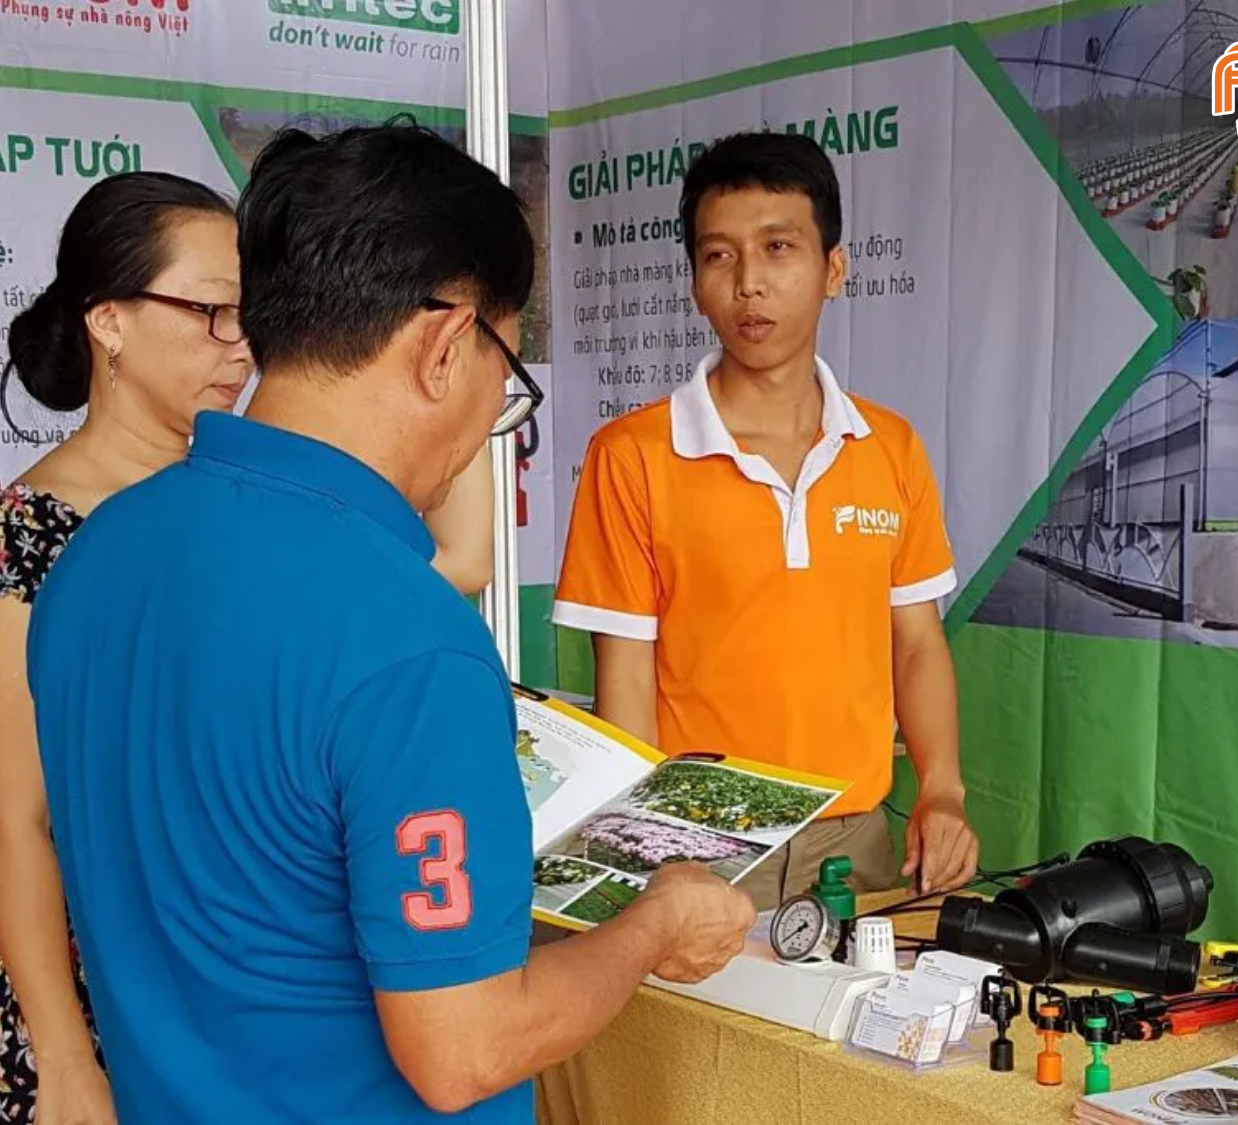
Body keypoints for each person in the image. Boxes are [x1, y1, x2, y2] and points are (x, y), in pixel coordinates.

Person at [25, 121, 754, 1125]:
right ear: (446, 346)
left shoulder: (98, 554)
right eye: (508, 372)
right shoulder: (407, 641)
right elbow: (464, 1050)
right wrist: (653, 927)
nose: (495, 413)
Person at [0, 171, 501, 1125]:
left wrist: (454, 391)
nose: (241, 344)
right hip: (100, 998)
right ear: (108, 322)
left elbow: (457, 561)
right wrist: (62, 1051)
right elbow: (13, 818)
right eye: (210, 313)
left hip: (234, 1000)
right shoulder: (37, 537)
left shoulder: (249, 507)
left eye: (253, 314)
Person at [552, 131, 980, 911]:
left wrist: (942, 790)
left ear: (834, 269)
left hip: (854, 842)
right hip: (698, 843)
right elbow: (626, 675)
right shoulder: (633, 455)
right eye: (719, 256)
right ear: (694, 282)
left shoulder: (889, 447)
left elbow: (917, 640)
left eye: (778, 248)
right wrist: (645, 856)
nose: (749, 283)